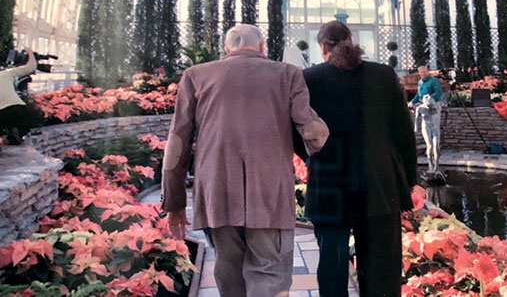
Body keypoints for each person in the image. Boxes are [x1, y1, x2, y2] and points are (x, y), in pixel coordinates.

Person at [161, 24, 329, 297]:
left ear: (226, 50)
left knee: (229, 274)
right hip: (269, 193)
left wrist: (175, 203)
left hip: (217, 192)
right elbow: (311, 130)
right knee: (270, 274)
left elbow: (177, 142)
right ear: (262, 46)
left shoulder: (195, 76)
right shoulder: (288, 74)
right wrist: (320, 140)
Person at [294, 21, 417, 297]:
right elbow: (403, 132)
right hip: (378, 182)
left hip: (330, 182)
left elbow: (294, 128)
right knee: (382, 266)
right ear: (350, 41)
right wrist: (410, 180)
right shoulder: (384, 75)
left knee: (332, 263)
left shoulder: (309, 78)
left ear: (323, 47)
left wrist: (313, 157)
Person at [0, 47, 36, 145]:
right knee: (24, 115)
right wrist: (30, 52)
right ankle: (16, 134)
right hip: (18, 109)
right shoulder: (6, 74)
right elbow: (31, 67)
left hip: (1, 114)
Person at [408, 65, 443, 129]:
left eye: (424, 72)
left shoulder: (434, 81)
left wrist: (428, 98)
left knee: (435, 127)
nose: (423, 73)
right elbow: (419, 94)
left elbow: (438, 93)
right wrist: (412, 102)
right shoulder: (420, 82)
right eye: (421, 72)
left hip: (434, 105)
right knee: (425, 127)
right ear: (419, 73)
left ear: (427, 72)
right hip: (424, 106)